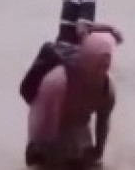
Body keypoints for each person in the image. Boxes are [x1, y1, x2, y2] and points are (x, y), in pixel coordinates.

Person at [26, 32, 116, 169]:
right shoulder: (57, 82)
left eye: (106, 66)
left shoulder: (107, 88)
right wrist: (39, 151)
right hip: (48, 129)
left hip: (79, 129)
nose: (101, 71)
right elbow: (42, 125)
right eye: (98, 65)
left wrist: (99, 150)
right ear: (86, 60)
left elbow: (103, 121)